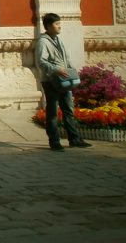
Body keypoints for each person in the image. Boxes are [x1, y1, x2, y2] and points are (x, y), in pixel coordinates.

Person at [35, 12, 91, 151]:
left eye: (60, 23)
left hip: (64, 80)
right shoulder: (43, 41)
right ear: (48, 26)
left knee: (68, 110)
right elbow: (41, 61)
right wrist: (55, 69)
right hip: (51, 81)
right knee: (52, 112)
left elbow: (66, 58)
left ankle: (74, 139)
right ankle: (54, 142)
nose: (60, 26)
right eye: (57, 24)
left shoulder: (58, 39)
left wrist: (72, 71)